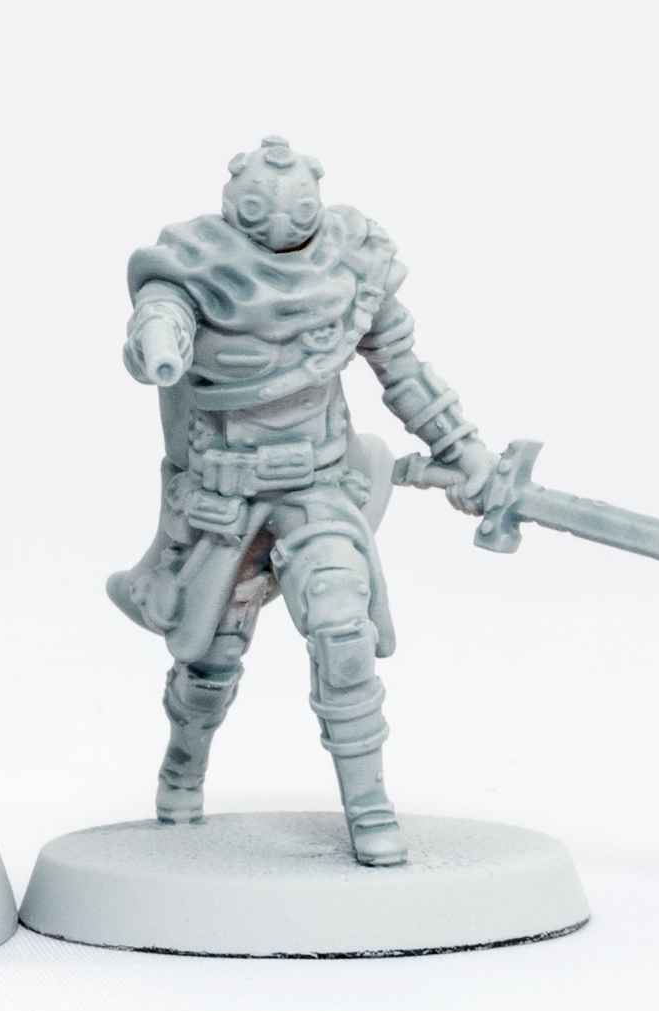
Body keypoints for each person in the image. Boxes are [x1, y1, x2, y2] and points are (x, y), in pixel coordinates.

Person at [107, 138, 497, 865]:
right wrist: (155, 340)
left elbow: (403, 371)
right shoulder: (197, 266)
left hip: (319, 490)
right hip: (226, 503)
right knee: (211, 661)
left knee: (343, 633)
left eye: (297, 208)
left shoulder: (352, 265)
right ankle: (182, 771)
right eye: (260, 208)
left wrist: (464, 450)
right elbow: (161, 317)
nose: (280, 224)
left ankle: (369, 806)